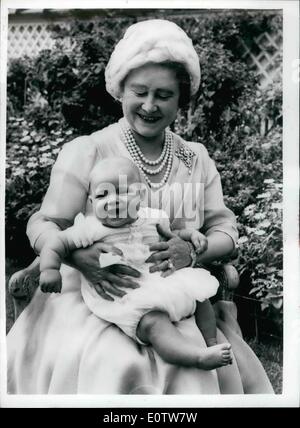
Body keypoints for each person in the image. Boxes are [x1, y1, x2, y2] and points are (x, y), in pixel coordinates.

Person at [7, 19, 274, 394]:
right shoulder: (88, 150)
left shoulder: (194, 158)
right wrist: (77, 258)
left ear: (182, 98)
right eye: (140, 92)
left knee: (195, 358)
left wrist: (193, 251)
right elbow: (45, 221)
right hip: (97, 294)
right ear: (120, 91)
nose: (149, 105)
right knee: (114, 361)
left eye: (164, 95)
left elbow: (225, 231)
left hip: (174, 294)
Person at [38, 156, 232, 370]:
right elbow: (57, 243)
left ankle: (211, 342)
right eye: (103, 195)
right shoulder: (90, 228)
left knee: (200, 296)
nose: (113, 200)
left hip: (158, 279)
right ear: (92, 202)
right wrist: (50, 269)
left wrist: (191, 235)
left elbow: (173, 234)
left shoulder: (152, 217)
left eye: (122, 192)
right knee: (153, 323)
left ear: (140, 195)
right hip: (125, 290)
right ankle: (195, 357)